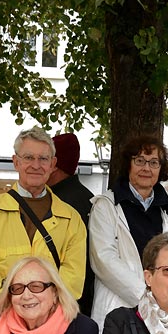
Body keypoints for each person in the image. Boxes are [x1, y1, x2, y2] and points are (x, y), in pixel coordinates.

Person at [0, 127, 87, 300]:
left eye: (43, 159)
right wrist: (15, 304)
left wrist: (43, 307)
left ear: (53, 164)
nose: (36, 165)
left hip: (52, 318)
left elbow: (73, 280)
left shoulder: (71, 219)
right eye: (29, 158)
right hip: (1, 316)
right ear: (16, 162)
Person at [89, 136, 168, 334]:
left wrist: (160, 296)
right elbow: (103, 259)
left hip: (160, 309)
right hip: (118, 305)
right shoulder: (106, 205)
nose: (146, 168)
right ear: (128, 165)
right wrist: (147, 295)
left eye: (153, 162)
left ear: (161, 169)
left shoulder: (167, 209)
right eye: (139, 161)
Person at [48, 132, 95, 315]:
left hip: (62, 302)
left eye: (45, 159)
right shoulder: (87, 198)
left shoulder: (58, 202)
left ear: (54, 164)